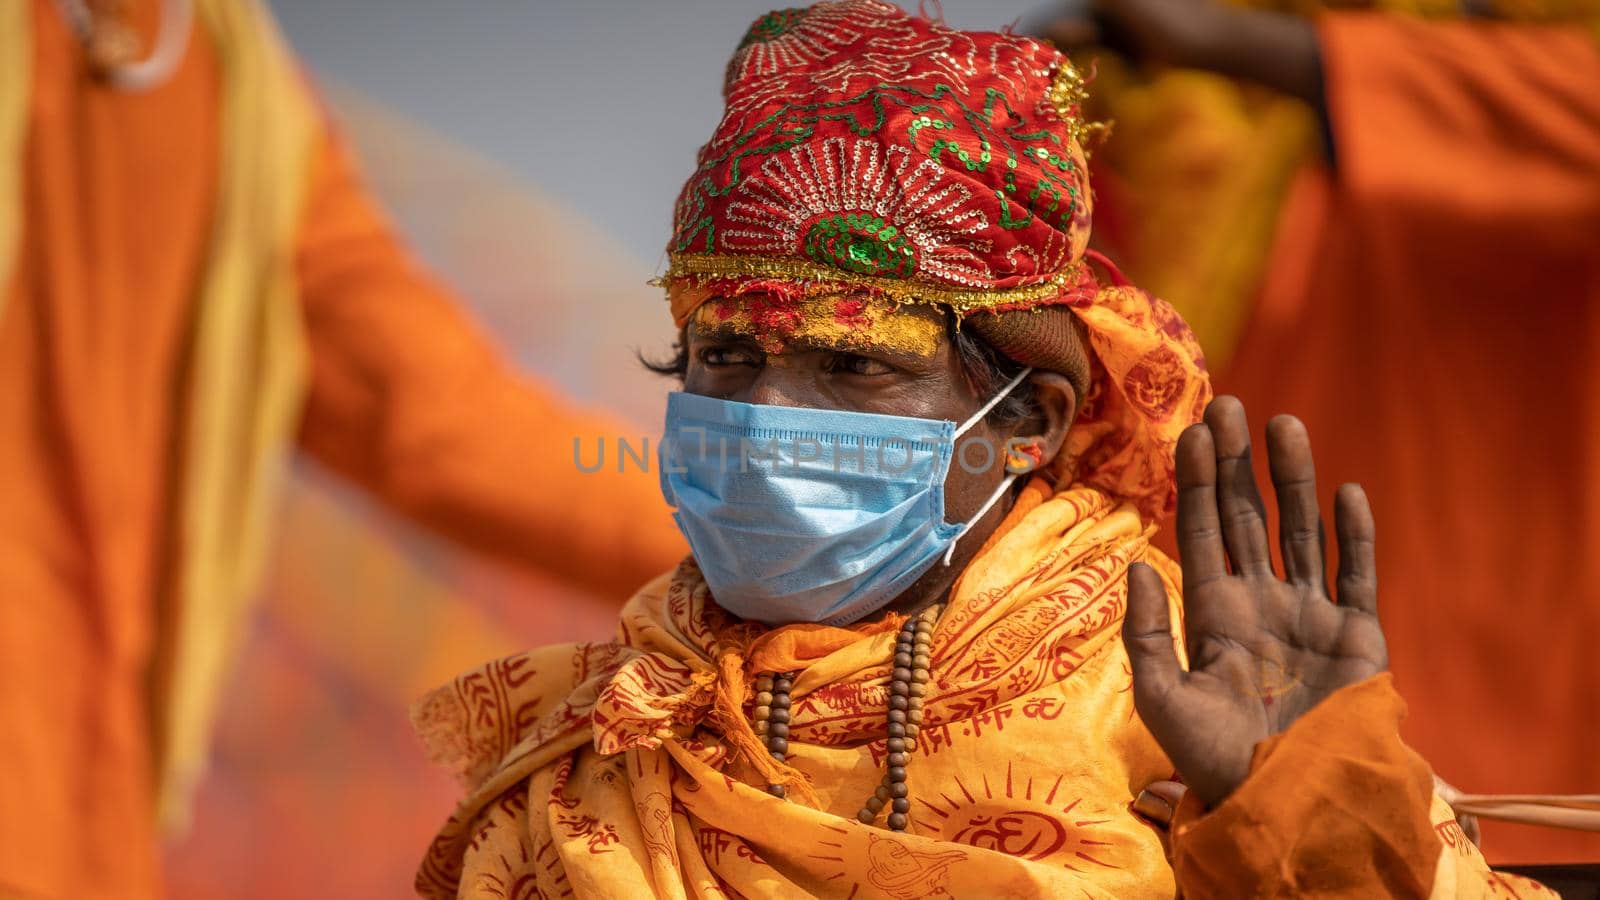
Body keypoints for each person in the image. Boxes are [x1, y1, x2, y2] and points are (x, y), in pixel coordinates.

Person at [411, 3, 1556, 895]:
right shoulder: (604, 743)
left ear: (1026, 423)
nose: (761, 417)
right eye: (722, 359)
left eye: (852, 366)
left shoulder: (1172, 709)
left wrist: (1305, 806)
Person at [0, 1, 682, 896]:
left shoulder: (223, 85)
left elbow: (438, 420)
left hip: (78, 800)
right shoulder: (206, 71)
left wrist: (815, 534)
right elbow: (443, 424)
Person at [1037, 0, 1600, 861]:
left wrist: (1261, 50)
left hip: (1490, 652)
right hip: (1208, 649)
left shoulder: (1545, 50)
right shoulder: (1185, 110)